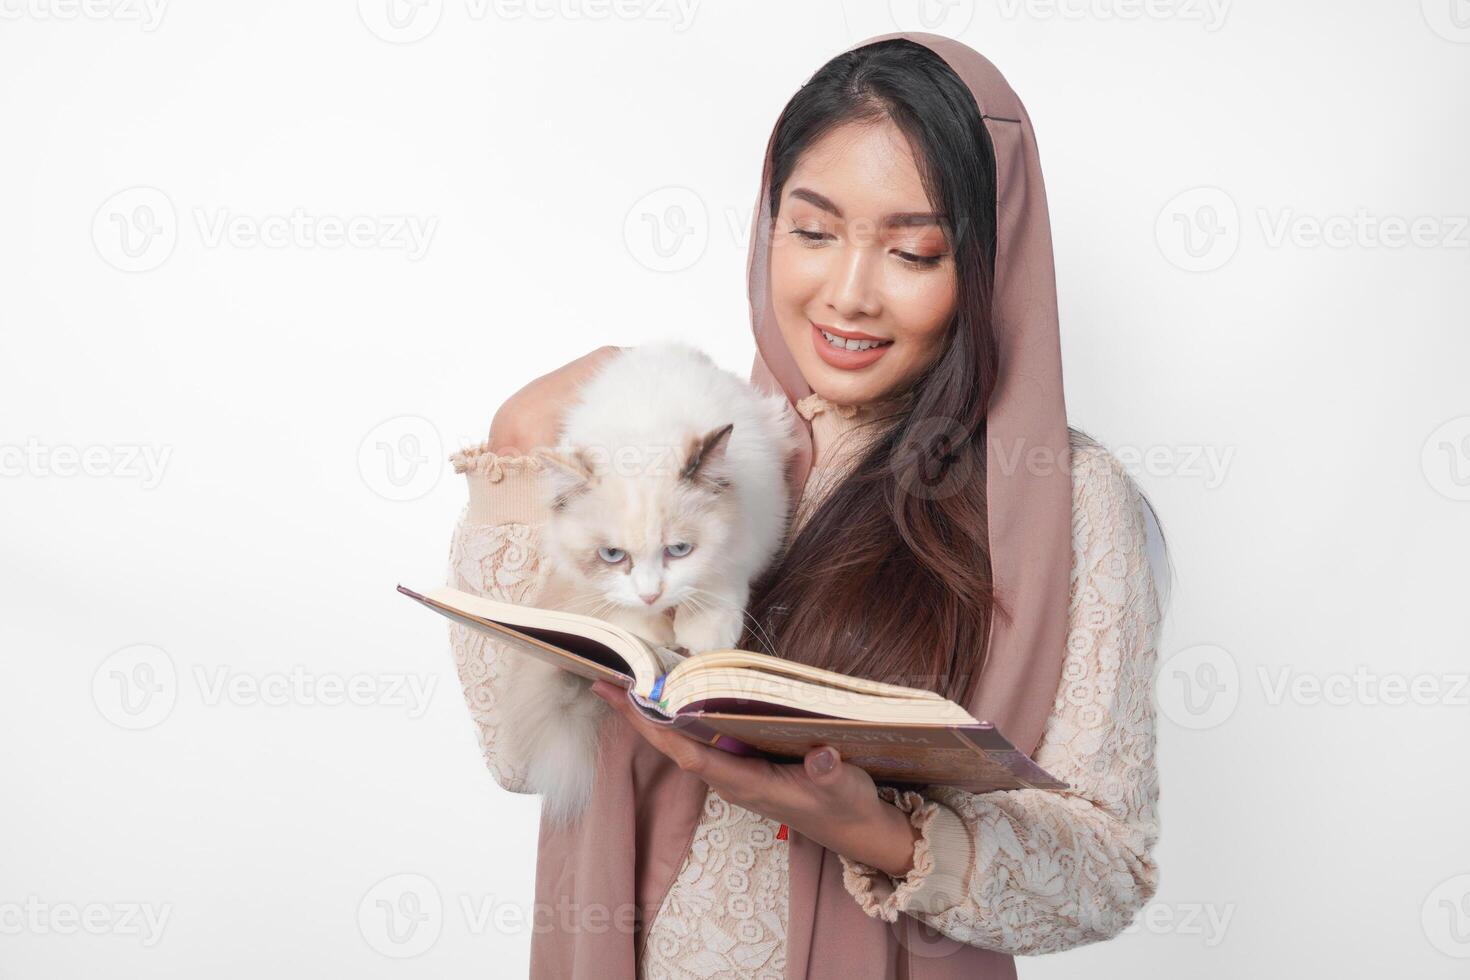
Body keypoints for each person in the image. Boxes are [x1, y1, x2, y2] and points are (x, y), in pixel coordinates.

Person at [445, 32, 1168, 980]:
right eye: (813, 232)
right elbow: (519, 753)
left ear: (988, 265)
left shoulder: (1060, 499)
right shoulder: (693, 451)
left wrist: (885, 834)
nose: (848, 295)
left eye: (913, 251)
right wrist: (511, 455)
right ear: (767, 227)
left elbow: (1109, 871)